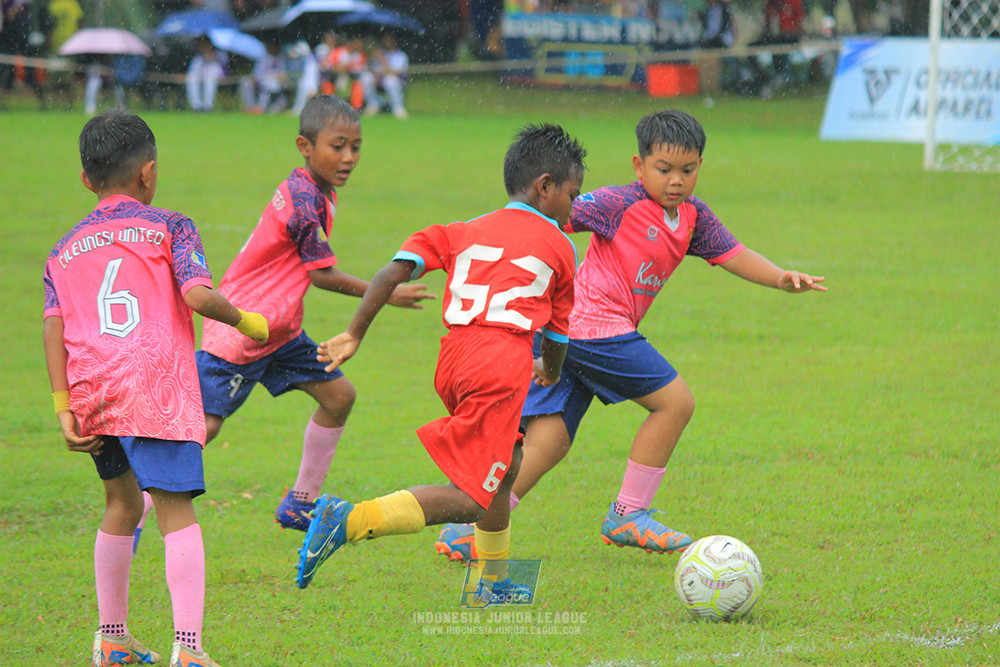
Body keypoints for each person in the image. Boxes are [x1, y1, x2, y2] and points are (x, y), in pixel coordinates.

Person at [433, 109, 826, 562]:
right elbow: (551, 214)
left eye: (688, 170)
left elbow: (732, 253)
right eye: (664, 170)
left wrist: (780, 277)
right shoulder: (618, 204)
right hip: (589, 327)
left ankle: (472, 526)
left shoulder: (694, 217)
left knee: (551, 440)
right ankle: (629, 513)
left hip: (570, 338)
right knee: (675, 403)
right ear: (640, 167)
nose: (675, 181)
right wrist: (490, 235)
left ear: (700, 165)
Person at [295, 123, 586, 601]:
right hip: (500, 363)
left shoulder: (460, 230)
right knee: (472, 496)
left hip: (454, 357)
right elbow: (556, 333)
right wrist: (550, 373)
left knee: (506, 465)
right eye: (573, 196)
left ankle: (492, 582)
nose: (573, 208)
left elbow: (393, 271)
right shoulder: (560, 247)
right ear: (545, 186)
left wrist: (354, 332)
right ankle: (347, 519)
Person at [43, 111, 269, 667]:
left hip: (93, 389)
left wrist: (61, 405)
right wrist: (247, 322)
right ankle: (189, 652)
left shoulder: (62, 248)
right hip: (154, 384)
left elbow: (53, 327)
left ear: (85, 179)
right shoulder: (171, 225)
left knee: (120, 504)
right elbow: (196, 296)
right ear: (148, 173)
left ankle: (112, 640)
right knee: (174, 511)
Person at [186, 95, 433, 537]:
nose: (349, 157)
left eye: (355, 147)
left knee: (339, 397)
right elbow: (322, 275)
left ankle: (299, 504)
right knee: (204, 425)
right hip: (241, 331)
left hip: (279, 331)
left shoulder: (317, 191)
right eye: (337, 146)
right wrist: (385, 291)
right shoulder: (304, 200)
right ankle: (142, 503)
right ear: (305, 145)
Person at [360, 33, 409, 119]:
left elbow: (395, 72)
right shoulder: (378, 53)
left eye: (389, 40)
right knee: (366, 77)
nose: (387, 42)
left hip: (396, 81)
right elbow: (372, 69)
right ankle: (373, 104)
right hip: (379, 79)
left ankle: (398, 107)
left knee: (390, 80)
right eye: (385, 40)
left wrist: (382, 60)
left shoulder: (400, 55)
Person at [186, 36, 227, 112]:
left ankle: (208, 106)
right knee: (192, 79)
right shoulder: (198, 58)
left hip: (216, 76)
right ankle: (196, 106)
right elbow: (193, 71)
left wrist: (213, 58)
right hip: (201, 77)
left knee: (209, 80)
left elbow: (224, 66)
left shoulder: (219, 54)